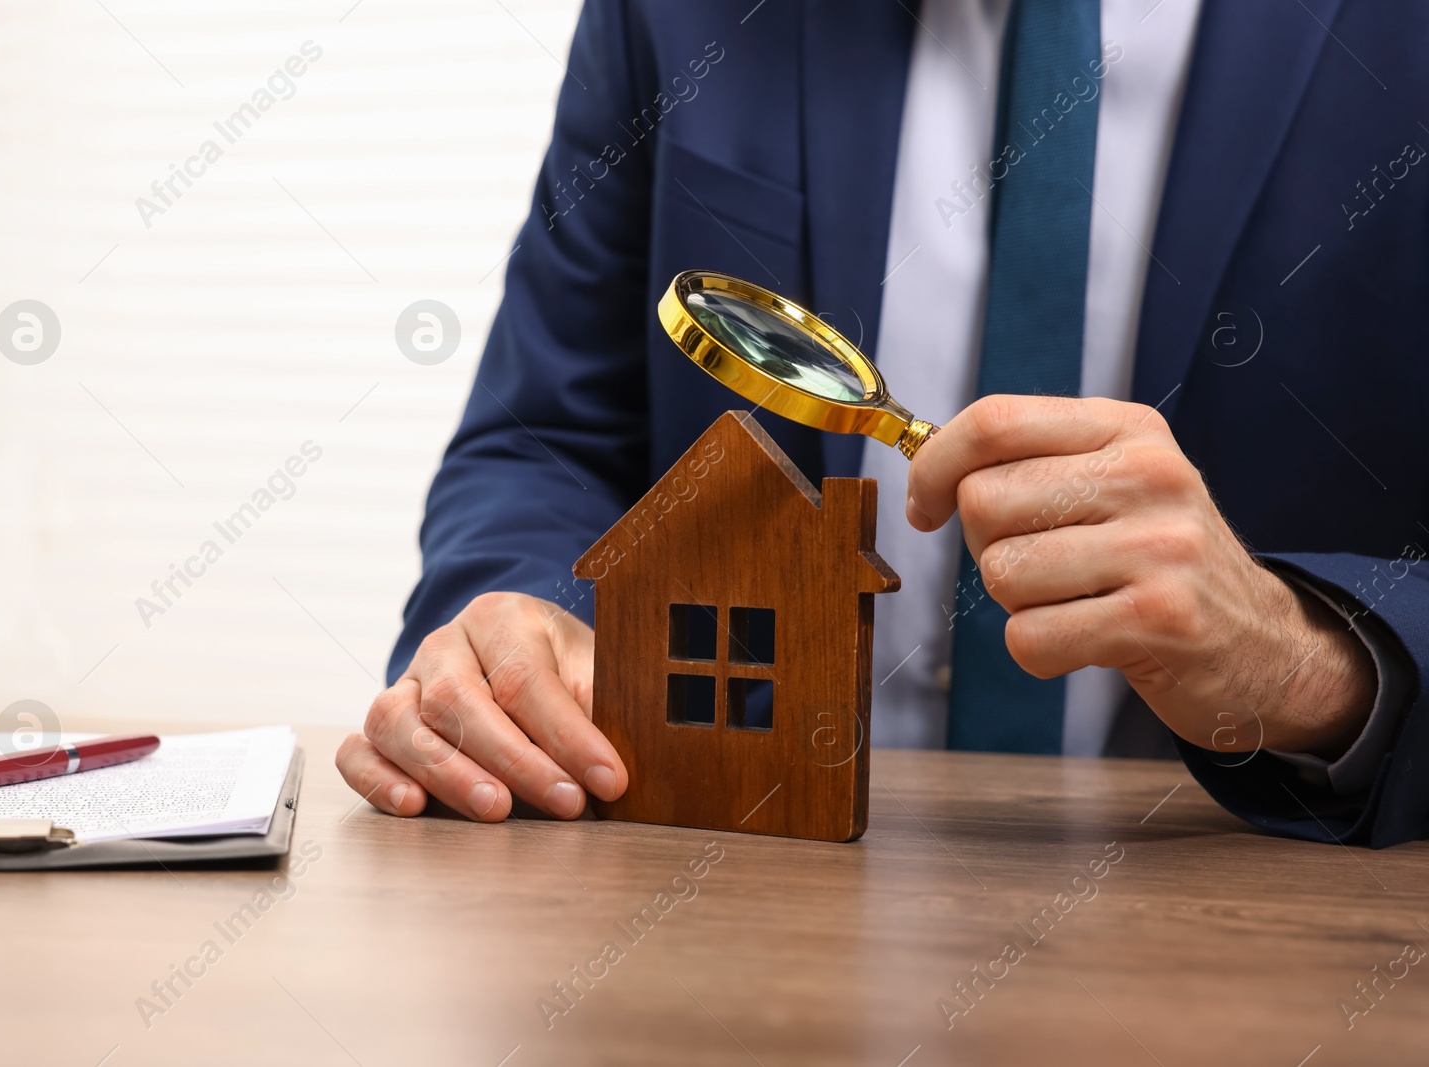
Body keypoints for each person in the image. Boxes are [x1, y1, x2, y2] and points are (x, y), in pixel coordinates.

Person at [336, 0, 1429, 847]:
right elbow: (544, 439)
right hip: (734, 885)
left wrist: (1304, 662)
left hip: (1253, 897)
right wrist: (525, 632)